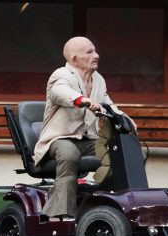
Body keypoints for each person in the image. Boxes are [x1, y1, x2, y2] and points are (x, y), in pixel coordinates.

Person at [34, 36, 134, 220]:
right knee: (69, 153)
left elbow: (109, 104)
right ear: (75, 60)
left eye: (95, 51)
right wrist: (82, 100)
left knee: (122, 150)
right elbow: (59, 92)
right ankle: (62, 213)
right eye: (90, 52)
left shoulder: (98, 79)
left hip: (87, 139)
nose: (97, 55)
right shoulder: (61, 75)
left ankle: (104, 203)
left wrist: (128, 122)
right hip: (59, 139)